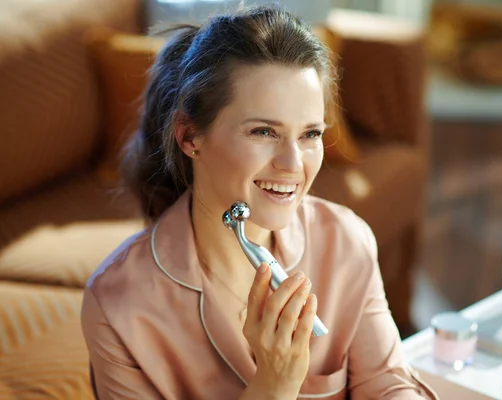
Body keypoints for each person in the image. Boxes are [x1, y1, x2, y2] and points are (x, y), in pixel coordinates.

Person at [80, 5, 438, 400]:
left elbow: (388, 384)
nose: (293, 164)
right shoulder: (119, 304)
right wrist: (273, 386)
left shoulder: (345, 241)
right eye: (264, 131)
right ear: (189, 137)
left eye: (310, 134)